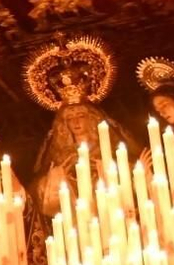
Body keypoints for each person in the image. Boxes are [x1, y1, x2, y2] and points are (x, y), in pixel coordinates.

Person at [24, 36, 137, 217]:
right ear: (64, 124)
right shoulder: (59, 155)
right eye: (70, 118)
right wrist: (55, 176)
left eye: (81, 115)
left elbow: (134, 173)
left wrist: (111, 169)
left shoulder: (109, 147)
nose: (76, 121)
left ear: (92, 118)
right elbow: (37, 193)